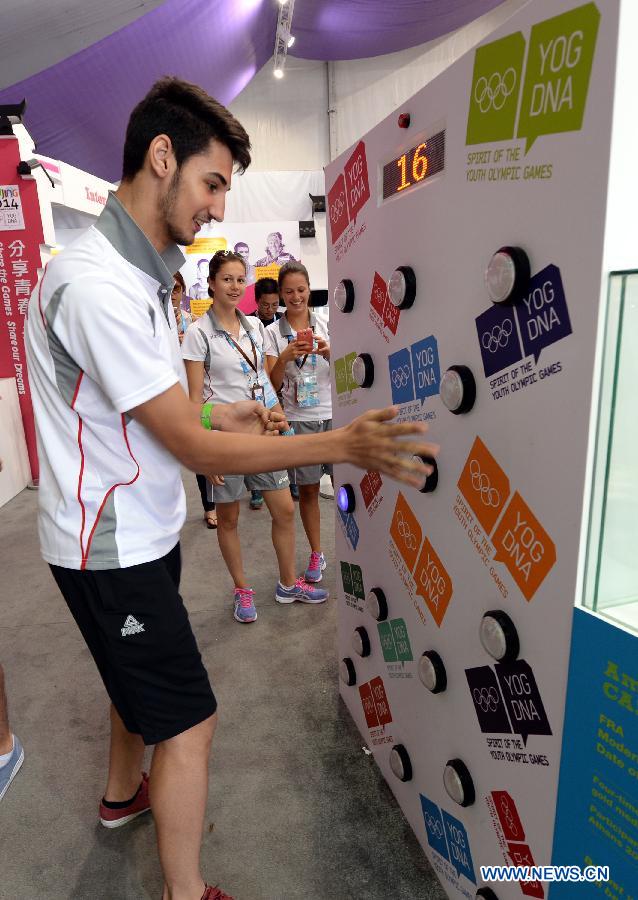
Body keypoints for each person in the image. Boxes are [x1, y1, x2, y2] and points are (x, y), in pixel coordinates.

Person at [25, 76, 435, 900]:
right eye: (213, 183)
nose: (217, 207)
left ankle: (119, 797)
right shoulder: (97, 284)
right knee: (190, 719)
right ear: (162, 157)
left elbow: (161, 407)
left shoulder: (138, 277)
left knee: (132, 688)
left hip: (136, 531)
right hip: (110, 550)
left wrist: (235, 408)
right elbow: (183, 441)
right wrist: (343, 442)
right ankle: (186, 891)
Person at [183, 250, 327, 619]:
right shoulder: (199, 335)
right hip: (225, 442)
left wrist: (280, 418)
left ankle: (288, 584)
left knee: (284, 509)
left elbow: (263, 381)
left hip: (263, 434)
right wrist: (204, 451)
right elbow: (194, 400)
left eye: (239, 280)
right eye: (227, 279)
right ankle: (242, 589)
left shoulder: (253, 329)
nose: (234, 286)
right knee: (228, 520)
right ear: (212, 284)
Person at [265, 262, 332, 584]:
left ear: (309, 290)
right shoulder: (270, 333)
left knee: (351, 489)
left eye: (301, 290)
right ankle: (317, 552)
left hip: (333, 415)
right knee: (308, 491)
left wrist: (330, 352)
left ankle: (357, 550)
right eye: (289, 291)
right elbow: (269, 384)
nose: (296, 297)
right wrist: (284, 357)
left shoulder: (327, 322)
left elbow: (346, 367)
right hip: (299, 418)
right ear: (280, 294)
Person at [247, 277, 283, 509]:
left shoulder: (282, 323)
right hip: (255, 387)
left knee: (280, 432)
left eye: (274, 305)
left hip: (280, 388)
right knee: (257, 435)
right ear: (257, 302)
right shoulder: (249, 324)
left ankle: (285, 481)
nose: (270, 310)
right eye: (265, 305)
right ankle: (256, 489)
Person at [171, 272, 192, 344]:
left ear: (183, 290)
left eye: (175, 288)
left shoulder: (192, 320)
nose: (170, 292)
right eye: (166, 288)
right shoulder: (152, 320)